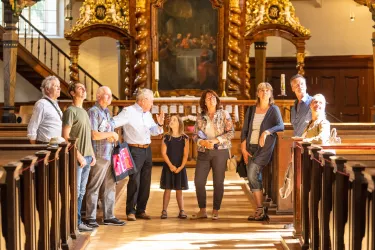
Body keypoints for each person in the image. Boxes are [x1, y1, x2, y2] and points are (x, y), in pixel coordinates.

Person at [113, 88, 164, 221]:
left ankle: (141, 210)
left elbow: (154, 131)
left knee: (146, 181)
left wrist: (159, 124)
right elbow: (114, 122)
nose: (152, 104)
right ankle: (130, 211)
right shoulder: (128, 111)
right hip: (134, 150)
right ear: (143, 101)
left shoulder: (147, 114)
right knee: (134, 180)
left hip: (147, 150)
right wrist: (106, 132)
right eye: (151, 101)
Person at [241, 82, 284, 221]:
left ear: (271, 93)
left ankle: (260, 209)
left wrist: (266, 132)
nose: (264, 92)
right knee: (252, 176)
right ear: (258, 93)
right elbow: (245, 130)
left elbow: (280, 125)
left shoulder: (274, 109)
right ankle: (260, 210)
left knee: (253, 173)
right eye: (261, 90)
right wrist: (243, 148)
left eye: (267, 90)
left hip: (264, 148)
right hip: (250, 146)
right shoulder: (252, 110)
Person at [85, 86, 125, 228]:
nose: (109, 98)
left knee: (110, 186)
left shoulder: (107, 112)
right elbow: (94, 134)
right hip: (99, 155)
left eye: (110, 95)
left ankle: (109, 216)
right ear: (98, 97)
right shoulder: (93, 112)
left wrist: (111, 137)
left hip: (109, 154)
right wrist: (111, 135)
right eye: (106, 95)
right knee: (94, 186)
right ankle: (90, 217)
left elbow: (107, 132)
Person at [192, 90, 234, 220]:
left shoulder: (224, 114)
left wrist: (216, 140)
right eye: (208, 97)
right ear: (204, 101)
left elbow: (231, 133)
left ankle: (215, 210)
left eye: (213, 97)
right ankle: (202, 210)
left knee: (218, 182)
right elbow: (194, 135)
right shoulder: (200, 116)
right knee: (198, 181)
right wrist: (202, 142)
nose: (211, 99)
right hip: (204, 152)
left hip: (220, 151)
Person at [62, 82, 96, 232]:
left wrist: (92, 154)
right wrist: (78, 156)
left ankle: (78, 222)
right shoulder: (71, 111)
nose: (84, 90)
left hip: (87, 156)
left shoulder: (85, 111)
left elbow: (87, 136)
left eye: (84, 88)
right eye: (80, 88)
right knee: (75, 191)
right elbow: (65, 136)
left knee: (82, 191)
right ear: (72, 93)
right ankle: (72, 224)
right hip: (78, 158)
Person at [160, 115, 189, 219]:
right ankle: (164, 210)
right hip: (169, 166)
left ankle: (182, 210)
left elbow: (186, 155)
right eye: (170, 120)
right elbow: (164, 153)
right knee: (167, 189)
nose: (171, 121)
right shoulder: (166, 137)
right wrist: (171, 166)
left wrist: (181, 167)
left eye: (174, 120)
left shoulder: (184, 138)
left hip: (180, 167)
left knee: (179, 190)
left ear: (179, 123)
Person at [27, 76, 64, 144]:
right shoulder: (41, 104)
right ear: (47, 89)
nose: (59, 88)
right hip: (45, 144)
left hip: (56, 144)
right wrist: (33, 146)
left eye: (59, 86)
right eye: (56, 86)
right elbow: (32, 126)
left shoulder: (55, 103)